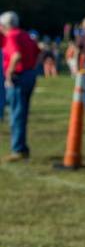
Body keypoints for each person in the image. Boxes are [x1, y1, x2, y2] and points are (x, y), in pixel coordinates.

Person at [1, 11, 40, 161]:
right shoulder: (24, 34)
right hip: (29, 75)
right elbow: (37, 51)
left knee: (16, 114)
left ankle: (18, 149)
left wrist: (9, 73)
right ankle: (21, 148)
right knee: (21, 113)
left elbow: (16, 55)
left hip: (19, 77)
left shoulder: (11, 35)